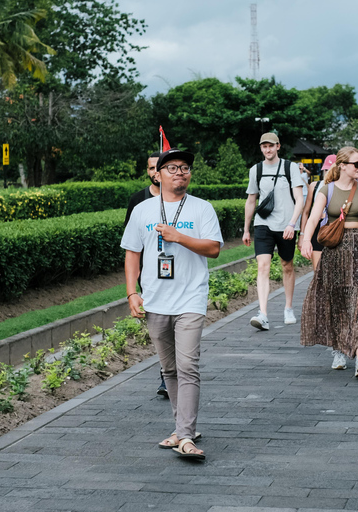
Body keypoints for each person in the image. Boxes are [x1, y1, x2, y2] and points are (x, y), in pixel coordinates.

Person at [121, 148, 224, 461]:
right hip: (155, 300)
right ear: (158, 174)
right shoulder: (143, 211)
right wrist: (131, 293)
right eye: (173, 168)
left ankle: (187, 436)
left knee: (187, 366)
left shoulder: (202, 209)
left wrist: (179, 237)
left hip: (191, 298)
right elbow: (132, 253)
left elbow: (214, 248)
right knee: (168, 369)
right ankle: (181, 428)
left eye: (185, 168)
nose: (181, 172)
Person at [300, 146, 358, 378]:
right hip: (335, 250)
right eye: (356, 164)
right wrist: (305, 240)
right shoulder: (327, 189)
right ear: (342, 166)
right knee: (337, 298)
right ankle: (339, 349)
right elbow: (313, 218)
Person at [242, 133, 304, 330]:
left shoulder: (290, 167)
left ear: (278, 146)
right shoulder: (256, 170)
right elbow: (251, 200)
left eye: (271, 146)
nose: (267, 149)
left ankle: (288, 307)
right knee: (263, 266)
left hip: (286, 225)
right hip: (263, 224)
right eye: (264, 146)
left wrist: (292, 224)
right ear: (261, 148)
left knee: (287, 265)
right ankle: (263, 314)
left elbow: (299, 199)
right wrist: (246, 229)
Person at [124, 151, 169, 398]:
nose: (155, 173)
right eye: (151, 168)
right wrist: (133, 287)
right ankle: (166, 372)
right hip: (149, 275)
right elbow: (132, 244)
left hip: (176, 274)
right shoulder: (138, 200)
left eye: (158, 168)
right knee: (159, 327)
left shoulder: (179, 199)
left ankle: (170, 372)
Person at [300, 155, 335, 270]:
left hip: (335, 228)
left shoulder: (343, 188)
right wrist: (303, 235)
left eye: (331, 170)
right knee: (318, 271)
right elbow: (306, 212)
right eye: (326, 170)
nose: (328, 173)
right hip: (317, 229)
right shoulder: (315, 186)